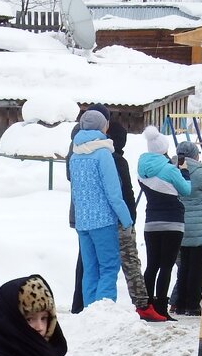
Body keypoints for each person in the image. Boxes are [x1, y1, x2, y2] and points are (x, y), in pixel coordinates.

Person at [68, 110, 133, 307]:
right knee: (108, 267)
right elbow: (114, 193)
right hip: (103, 220)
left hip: (83, 221)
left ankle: (90, 312)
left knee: (90, 269)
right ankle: (104, 310)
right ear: (102, 127)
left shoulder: (75, 154)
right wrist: (126, 219)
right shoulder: (103, 154)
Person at [111, 120, 167, 322]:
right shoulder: (117, 161)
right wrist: (130, 218)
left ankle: (85, 303)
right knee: (131, 263)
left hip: (96, 220)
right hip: (122, 219)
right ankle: (143, 304)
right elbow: (125, 192)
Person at [137, 126, 191, 321]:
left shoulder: (141, 168)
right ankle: (161, 308)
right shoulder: (169, 169)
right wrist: (184, 172)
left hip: (151, 222)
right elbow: (186, 190)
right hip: (172, 223)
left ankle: (145, 305)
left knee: (151, 265)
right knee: (166, 266)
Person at [172, 140, 202, 316]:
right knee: (197, 269)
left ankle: (181, 303)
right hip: (200, 230)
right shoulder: (198, 172)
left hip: (182, 227)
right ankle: (192, 304)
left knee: (184, 268)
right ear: (195, 155)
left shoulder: (174, 170)